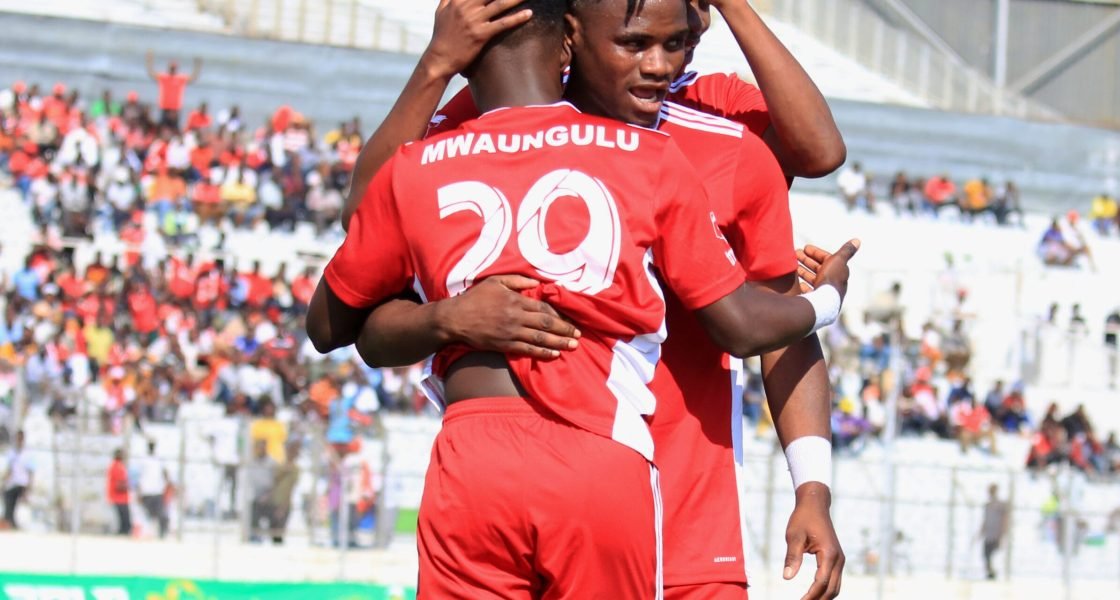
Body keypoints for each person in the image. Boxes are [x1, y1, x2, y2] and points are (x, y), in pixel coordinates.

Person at [306, 1, 856, 596]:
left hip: (686, 517)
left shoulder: (726, 146)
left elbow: (778, 326)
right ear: (571, 34)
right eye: (635, 42)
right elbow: (365, 224)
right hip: (518, 497)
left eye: (677, 44)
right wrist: (447, 319)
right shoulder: (478, 123)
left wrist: (813, 488)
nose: (658, 65)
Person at [145, 51, 202, 128]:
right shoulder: (163, 77)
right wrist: (149, 61)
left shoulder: (180, 78)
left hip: (175, 109)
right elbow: (151, 74)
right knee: (162, 128)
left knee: (174, 129)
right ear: (169, 68)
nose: (172, 69)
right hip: (164, 107)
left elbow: (193, 78)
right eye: (171, 67)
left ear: (176, 68)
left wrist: (197, 66)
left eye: (174, 67)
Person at [268, 441, 301, 544]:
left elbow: (292, 487)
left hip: (286, 501)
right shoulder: (279, 466)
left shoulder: (296, 469)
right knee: (273, 527)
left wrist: (284, 505)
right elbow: (274, 481)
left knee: (280, 529)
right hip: (274, 500)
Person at [135, 439, 170, 539]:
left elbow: (165, 473)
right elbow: (139, 476)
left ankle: (162, 534)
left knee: (161, 514)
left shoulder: (159, 459)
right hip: (147, 491)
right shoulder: (143, 459)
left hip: (157, 491)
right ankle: (148, 533)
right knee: (148, 514)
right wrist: (139, 491)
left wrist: (167, 485)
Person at [246, 439, 277, 542]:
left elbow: (275, 482)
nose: (261, 449)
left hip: (270, 496)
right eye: (258, 447)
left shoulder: (272, 462)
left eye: (263, 447)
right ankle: (254, 537)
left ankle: (276, 540)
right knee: (252, 512)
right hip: (255, 496)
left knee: (275, 516)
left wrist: (268, 495)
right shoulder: (251, 462)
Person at [2, 430, 33, 529]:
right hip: (12, 482)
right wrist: (4, 481)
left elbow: (30, 472)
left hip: (22, 483)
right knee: (8, 500)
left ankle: (11, 522)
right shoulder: (12, 453)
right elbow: (9, 469)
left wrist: (28, 487)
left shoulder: (27, 454)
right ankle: (9, 522)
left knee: (13, 502)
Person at [980, 483, 1009, 580]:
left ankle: (993, 572)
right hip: (988, 534)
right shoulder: (987, 505)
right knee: (985, 554)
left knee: (992, 553)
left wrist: (1003, 534)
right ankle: (991, 572)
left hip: (996, 534)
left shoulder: (1001, 505)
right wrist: (981, 531)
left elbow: (1005, 519)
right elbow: (985, 519)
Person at [107, 448, 131, 535]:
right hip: (119, 498)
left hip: (120, 497)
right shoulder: (117, 466)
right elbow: (119, 484)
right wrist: (128, 486)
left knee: (124, 520)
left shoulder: (117, 466)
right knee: (124, 521)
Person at [1103, 307, 1120, 389]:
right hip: (1112, 346)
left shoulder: (1110, 318)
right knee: (1113, 364)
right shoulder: (1115, 318)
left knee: (1113, 364)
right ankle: (1111, 381)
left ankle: (1112, 381)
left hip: (1112, 345)